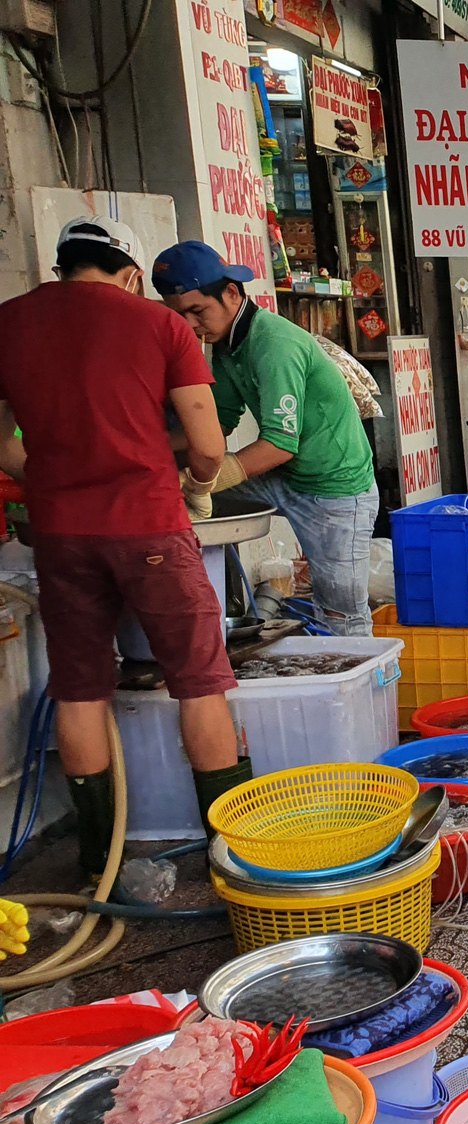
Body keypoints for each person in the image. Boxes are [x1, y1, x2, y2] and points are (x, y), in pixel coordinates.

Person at [0, 217, 252, 874]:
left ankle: (97, 860)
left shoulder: (9, 321)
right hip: (147, 524)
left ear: (61, 268)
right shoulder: (160, 325)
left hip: (59, 532)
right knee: (198, 681)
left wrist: (50, 474)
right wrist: (198, 482)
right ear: (132, 274)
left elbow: (3, 444)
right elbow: (205, 444)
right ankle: (232, 854)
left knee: (81, 688)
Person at [152, 240, 378, 636]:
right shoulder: (225, 346)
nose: (189, 325)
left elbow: (279, 444)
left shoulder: (274, 344)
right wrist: (147, 455)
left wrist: (207, 480)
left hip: (337, 490)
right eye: (179, 316)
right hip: (286, 478)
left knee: (342, 612)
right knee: (173, 499)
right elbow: (214, 425)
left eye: (197, 311)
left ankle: (357, 692)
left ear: (231, 293)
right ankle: (218, 610)